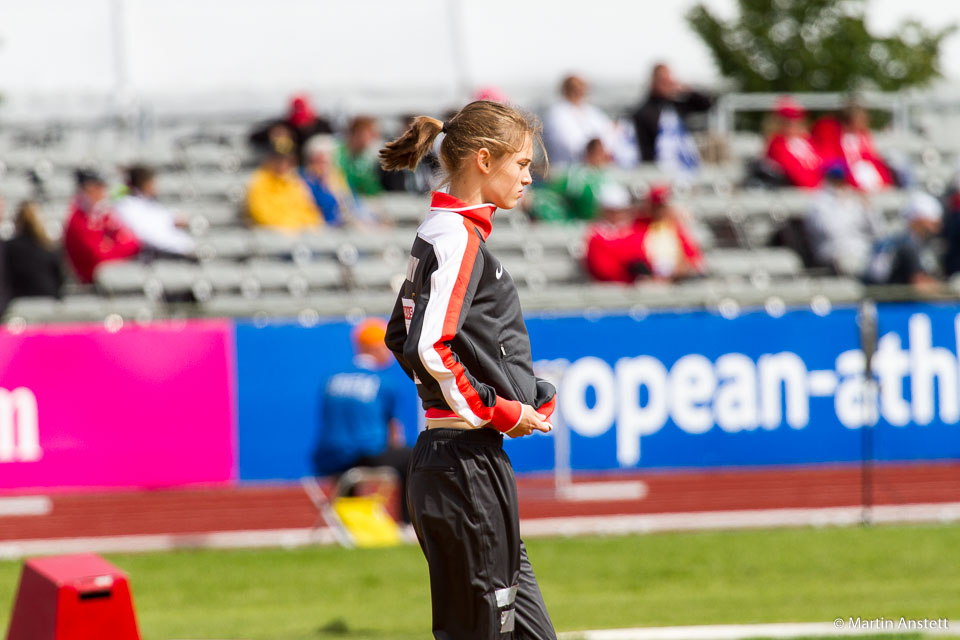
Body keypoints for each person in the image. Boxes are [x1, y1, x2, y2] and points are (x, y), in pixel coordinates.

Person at [380, 100, 557, 639]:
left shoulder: (442, 230)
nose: (528, 177)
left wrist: (520, 393)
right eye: (521, 163)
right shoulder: (457, 235)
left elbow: (400, 337)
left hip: (459, 461)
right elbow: (428, 346)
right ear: (484, 159)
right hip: (465, 466)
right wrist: (500, 410)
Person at [313, 318, 413, 523]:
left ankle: (349, 521)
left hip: (327, 457)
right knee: (412, 457)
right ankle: (406, 522)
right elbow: (394, 431)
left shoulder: (331, 379)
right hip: (366, 454)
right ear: (375, 347)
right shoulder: (383, 381)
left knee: (349, 461)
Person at [805, 164, 883, 276]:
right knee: (853, 263)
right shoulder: (819, 202)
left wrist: (868, 210)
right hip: (833, 249)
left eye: (841, 179)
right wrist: (842, 206)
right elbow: (830, 231)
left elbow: (877, 230)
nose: (839, 183)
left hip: (862, 248)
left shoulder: (855, 199)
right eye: (835, 179)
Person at [631, 62, 714, 169]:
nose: (667, 83)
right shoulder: (644, 112)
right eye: (663, 80)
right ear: (654, 81)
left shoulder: (675, 106)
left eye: (668, 79)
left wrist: (685, 89)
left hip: (682, 168)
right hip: (657, 169)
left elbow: (706, 104)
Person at [63, 169, 140, 284]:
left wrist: (109, 247)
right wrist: (115, 246)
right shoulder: (78, 221)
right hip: (91, 283)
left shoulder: (103, 215)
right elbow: (98, 258)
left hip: (114, 274)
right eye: (97, 187)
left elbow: (134, 244)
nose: (103, 192)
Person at [865, 192, 943, 289]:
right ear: (918, 219)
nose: (937, 227)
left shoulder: (897, 239)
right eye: (932, 222)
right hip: (892, 296)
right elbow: (919, 284)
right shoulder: (908, 244)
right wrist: (948, 290)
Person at [115, 165, 195, 258]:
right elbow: (148, 236)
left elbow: (164, 217)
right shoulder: (127, 206)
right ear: (145, 184)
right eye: (153, 183)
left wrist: (174, 220)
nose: (156, 187)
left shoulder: (147, 203)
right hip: (156, 253)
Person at [543, 74, 622, 168]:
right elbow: (567, 143)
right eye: (575, 88)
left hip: (595, 167)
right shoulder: (557, 113)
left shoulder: (591, 111)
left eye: (582, 87)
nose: (579, 91)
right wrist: (591, 148)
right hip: (567, 168)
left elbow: (610, 129)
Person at [246, 138, 324, 231]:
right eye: (279, 159)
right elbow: (262, 215)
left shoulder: (294, 182)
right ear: (270, 159)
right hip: (271, 235)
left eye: (288, 160)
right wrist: (293, 226)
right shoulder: (259, 182)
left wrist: (309, 226)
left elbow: (310, 212)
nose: (283, 164)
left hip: (297, 233)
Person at [529, 138, 614, 223]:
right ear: (590, 153)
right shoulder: (577, 176)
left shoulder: (608, 175)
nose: (602, 157)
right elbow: (553, 192)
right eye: (598, 153)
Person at [812, 105, 894, 192]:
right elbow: (833, 160)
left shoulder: (862, 137)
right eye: (862, 119)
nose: (866, 122)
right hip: (846, 179)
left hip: (868, 181)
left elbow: (871, 158)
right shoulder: (835, 137)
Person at [248, 93, 334, 165]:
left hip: (313, 168)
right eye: (299, 122)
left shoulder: (323, 126)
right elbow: (254, 136)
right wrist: (271, 134)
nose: (301, 126)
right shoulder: (284, 126)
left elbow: (335, 139)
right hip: (290, 168)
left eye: (305, 121)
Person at [5, 201, 64, 299]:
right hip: (47, 298)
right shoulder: (48, 247)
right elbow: (59, 278)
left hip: (18, 300)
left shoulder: (9, 247)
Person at [765, 97, 824, 188]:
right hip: (800, 191)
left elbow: (824, 162)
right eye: (787, 120)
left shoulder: (808, 141)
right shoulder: (777, 144)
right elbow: (796, 173)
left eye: (796, 118)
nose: (793, 123)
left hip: (819, 189)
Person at [336, 116, 386, 196]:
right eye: (368, 135)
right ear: (356, 133)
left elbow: (371, 186)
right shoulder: (337, 153)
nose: (370, 139)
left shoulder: (367, 157)